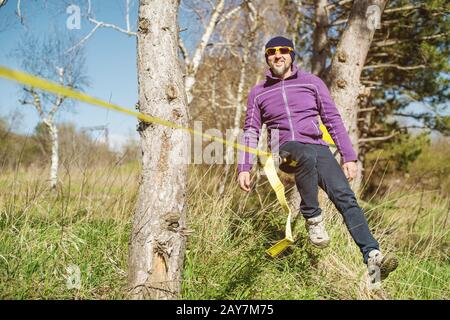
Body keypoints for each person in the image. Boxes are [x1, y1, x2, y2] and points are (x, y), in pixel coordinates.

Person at [237, 36, 397, 284]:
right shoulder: (258, 93)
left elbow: (332, 119)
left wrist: (348, 155)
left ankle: (373, 258)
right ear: (267, 57)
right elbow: (250, 130)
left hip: (318, 148)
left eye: (283, 51)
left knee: (345, 197)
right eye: (271, 52)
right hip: (285, 149)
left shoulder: (311, 83)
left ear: (292, 54)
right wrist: (244, 166)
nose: (277, 55)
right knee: (302, 154)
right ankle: (313, 218)